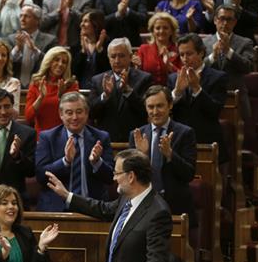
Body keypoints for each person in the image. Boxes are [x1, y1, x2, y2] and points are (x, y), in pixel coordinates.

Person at [46, 148, 172, 262]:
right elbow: (102, 209)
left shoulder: (158, 212)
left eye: (117, 173)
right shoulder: (126, 199)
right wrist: (67, 195)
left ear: (131, 176)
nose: (114, 178)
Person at [129, 85, 197, 229]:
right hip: (144, 205)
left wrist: (170, 154)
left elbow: (189, 174)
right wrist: (141, 155)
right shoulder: (137, 135)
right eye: (150, 107)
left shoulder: (185, 133)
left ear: (170, 105)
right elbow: (131, 177)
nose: (155, 112)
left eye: (160, 106)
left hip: (175, 206)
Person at [35, 91, 114, 212]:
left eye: (79, 112)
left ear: (87, 113)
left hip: (92, 207)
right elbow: (41, 176)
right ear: (61, 114)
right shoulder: (48, 137)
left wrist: (97, 162)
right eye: (69, 113)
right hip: (56, 207)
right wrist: (65, 161)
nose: (75, 117)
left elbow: (110, 178)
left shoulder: (101, 137)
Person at [167, 33, 229, 164]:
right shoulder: (173, 79)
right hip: (179, 141)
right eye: (182, 55)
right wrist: (177, 92)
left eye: (189, 54)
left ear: (201, 53)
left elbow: (215, 111)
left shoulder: (218, 77)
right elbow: (166, 111)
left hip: (207, 139)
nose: (184, 59)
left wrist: (197, 89)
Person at [88, 37, 152, 142]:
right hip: (106, 141)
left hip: (134, 141)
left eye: (121, 56)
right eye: (113, 56)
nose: (117, 60)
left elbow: (146, 110)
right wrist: (105, 96)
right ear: (108, 58)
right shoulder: (98, 80)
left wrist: (128, 91)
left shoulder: (144, 79)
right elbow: (91, 113)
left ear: (131, 57)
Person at [203, 4, 254, 121]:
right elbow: (198, 69)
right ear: (215, 20)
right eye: (222, 18)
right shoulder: (204, 43)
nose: (225, 23)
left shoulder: (245, 43)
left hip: (237, 98)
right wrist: (213, 57)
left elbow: (248, 67)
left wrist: (228, 51)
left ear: (235, 22)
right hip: (210, 97)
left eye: (229, 19)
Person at [25, 46, 79, 138]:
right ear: (49, 62)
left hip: (65, 137)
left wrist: (61, 96)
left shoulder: (71, 85)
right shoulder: (37, 83)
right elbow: (28, 117)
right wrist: (41, 98)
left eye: (64, 62)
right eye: (56, 60)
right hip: (41, 137)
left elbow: (74, 116)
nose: (60, 64)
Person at [6, 4, 58, 89]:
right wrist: (17, 49)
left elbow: (52, 64)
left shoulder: (50, 40)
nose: (22, 19)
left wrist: (35, 50)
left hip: (40, 87)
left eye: (27, 16)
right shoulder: (11, 39)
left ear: (37, 20)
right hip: (13, 86)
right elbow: (5, 63)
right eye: (21, 16)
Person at [132, 12, 182, 86]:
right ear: (153, 31)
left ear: (171, 31)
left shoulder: (179, 49)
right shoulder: (144, 49)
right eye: (158, 28)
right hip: (148, 91)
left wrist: (169, 66)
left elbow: (184, 75)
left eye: (165, 28)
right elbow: (138, 75)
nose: (161, 31)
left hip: (172, 91)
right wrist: (137, 67)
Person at [71, 9, 110, 89]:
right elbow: (73, 73)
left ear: (96, 24)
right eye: (82, 21)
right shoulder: (76, 46)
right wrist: (83, 52)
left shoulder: (108, 45)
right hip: (80, 90)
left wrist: (100, 51)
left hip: (102, 89)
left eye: (85, 21)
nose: (81, 24)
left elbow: (109, 70)